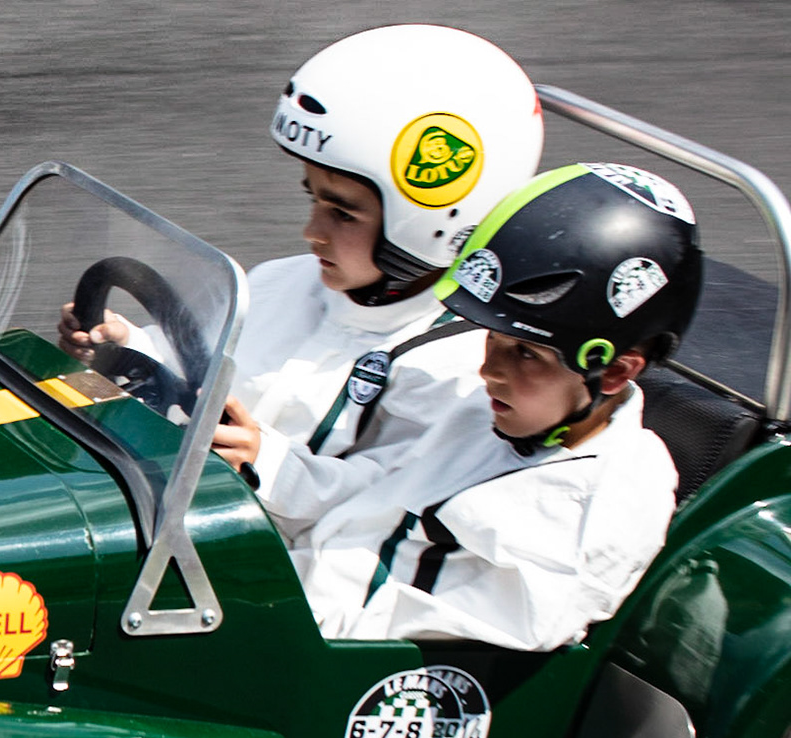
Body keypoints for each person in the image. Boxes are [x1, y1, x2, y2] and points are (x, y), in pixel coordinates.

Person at [61, 25, 543, 488]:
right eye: (313, 198)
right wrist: (127, 348)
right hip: (170, 497)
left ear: (430, 215)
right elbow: (197, 375)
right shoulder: (279, 284)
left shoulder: (457, 369)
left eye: (343, 213)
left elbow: (382, 508)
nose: (311, 232)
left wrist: (267, 465)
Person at [277, 162, 703, 650]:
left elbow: (462, 639)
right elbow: (372, 488)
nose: (489, 371)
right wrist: (267, 465)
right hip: (288, 598)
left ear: (613, 372)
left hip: (332, 661)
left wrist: (276, 626)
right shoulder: (486, 414)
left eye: (526, 353)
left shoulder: (607, 499)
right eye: (492, 340)